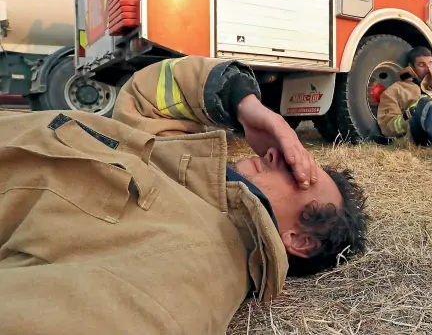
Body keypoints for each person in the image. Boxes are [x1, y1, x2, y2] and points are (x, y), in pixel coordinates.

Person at [0, 56, 368, 334]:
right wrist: (249, 108)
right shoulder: (189, 175)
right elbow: (151, 95)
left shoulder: (191, 268)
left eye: (300, 174)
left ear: (299, 240)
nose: (279, 154)